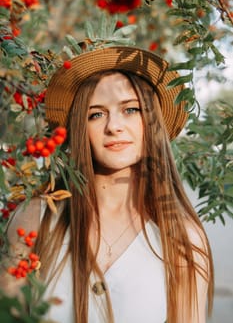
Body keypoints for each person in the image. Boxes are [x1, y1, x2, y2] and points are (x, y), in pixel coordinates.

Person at [2, 46, 214, 323]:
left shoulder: (182, 237)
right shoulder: (35, 219)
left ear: (150, 123)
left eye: (130, 109)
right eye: (96, 114)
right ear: (80, 128)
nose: (114, 126)